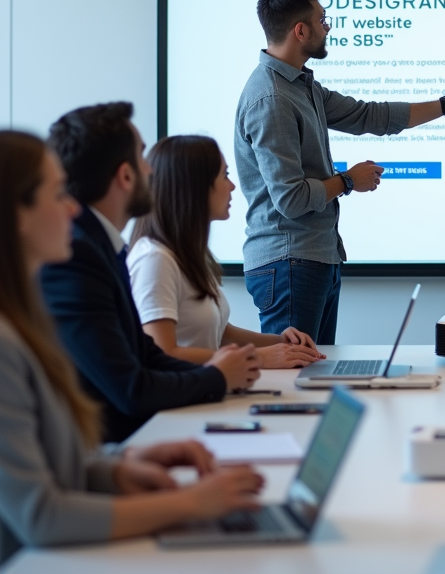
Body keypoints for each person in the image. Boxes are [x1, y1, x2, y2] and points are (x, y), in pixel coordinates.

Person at [0, 131, 264, 563]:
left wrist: (120, 466)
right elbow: (41, 515)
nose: (71, 209)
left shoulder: (27, 322)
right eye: (55, 194)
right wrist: (189, 504)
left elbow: (50, 465)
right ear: (17, 216)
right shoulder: (7, 343)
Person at [237, 0, 445, 345]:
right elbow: (291, 199)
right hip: (289, 263)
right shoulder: (272, 99)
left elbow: (370, 116)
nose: (327, 28)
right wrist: (347, 181)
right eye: (323, 21)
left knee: (316, 379)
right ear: (301, 30)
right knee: (294, 382)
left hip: (313, 258)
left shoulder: (300, 86)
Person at [42, 103, 260, 443]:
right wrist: (218, 376)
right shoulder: (77, 257)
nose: (151, 170)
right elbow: (131, 387)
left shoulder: (103, 246)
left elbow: (146, 354)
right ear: (126, 176)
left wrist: (228, 367)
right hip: (112, 452)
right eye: (143, 158)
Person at [129, 135, 324, 369]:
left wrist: (282, 342)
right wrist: (259, 359)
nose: (232, 186)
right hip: (179, 402)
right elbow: (162, 353)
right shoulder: (155, 259)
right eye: (225, 175)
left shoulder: (189, 255)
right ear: (195, 186)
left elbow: (221, 334)